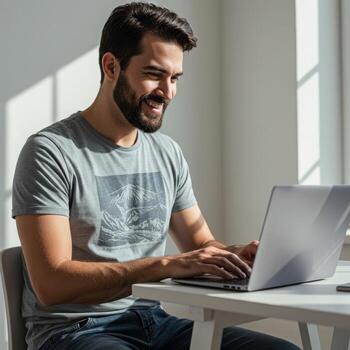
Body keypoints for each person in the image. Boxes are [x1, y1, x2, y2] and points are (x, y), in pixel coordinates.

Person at [12, 2, 300, 350]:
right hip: (76, 330)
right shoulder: (51, 152)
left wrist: (236, 255)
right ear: (111, 66)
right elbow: (52, 283)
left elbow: (200, 246)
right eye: (153, 74)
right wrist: (167, 264)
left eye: (175, 78)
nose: (168, 91)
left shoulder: (167, 153)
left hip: (156, 323)